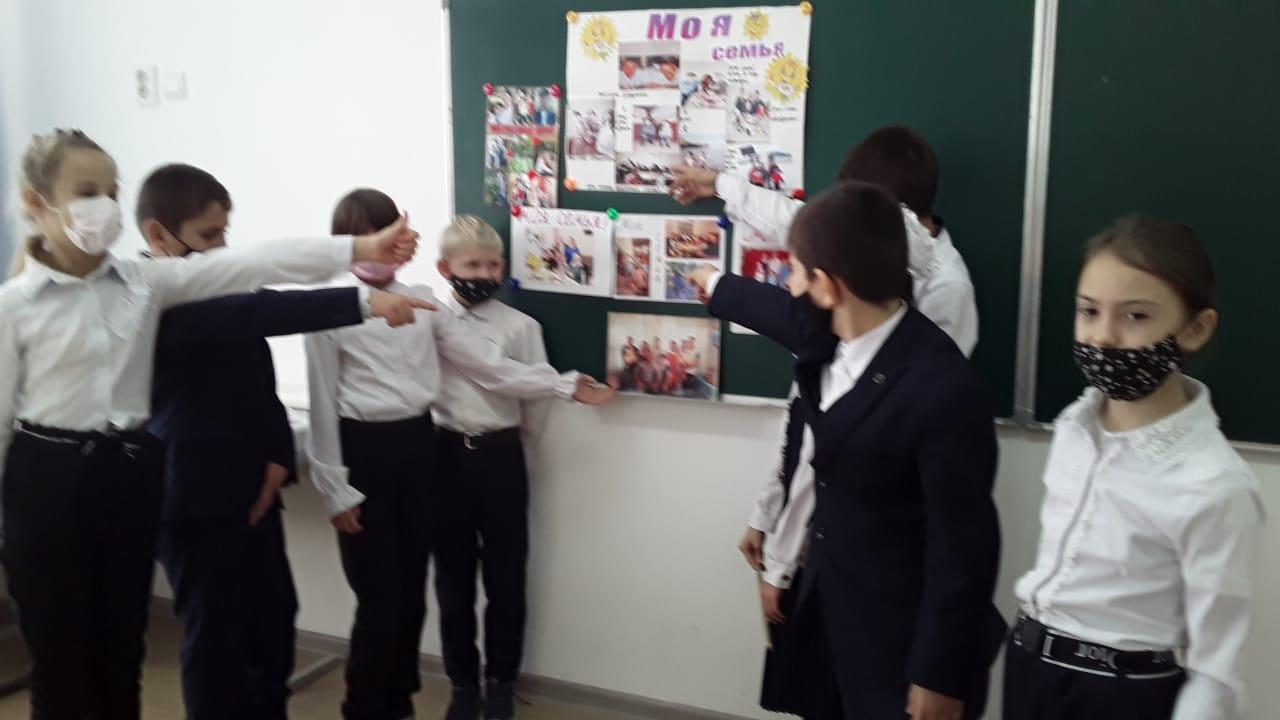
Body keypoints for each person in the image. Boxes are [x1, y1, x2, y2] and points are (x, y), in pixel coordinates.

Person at [0, 129, 418, 720]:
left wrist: (361, 250)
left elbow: (257, 264)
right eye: (87, 192)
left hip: (128, 474)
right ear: (37, 203)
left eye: (112, 191)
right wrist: (364, 294)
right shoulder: (15, 306)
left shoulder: (143, 285)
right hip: (56, 478)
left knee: (123, 658)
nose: (105, 206)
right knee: (65, 666)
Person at [688, 181, 1004, 719]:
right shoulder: (835, 333)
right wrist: (715, 283)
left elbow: (964, 551)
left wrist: (938, 675)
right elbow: (777, 311)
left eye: (795, 272)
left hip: (903, 645)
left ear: (830, 287)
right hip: (834, 614)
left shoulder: (943, 388)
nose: (788, 285)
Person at [138, 163, 432, 720]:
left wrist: (277, 454)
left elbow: (257, 378)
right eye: (208, 235)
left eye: (225, 233)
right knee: (217, 633)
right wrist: (363, 301)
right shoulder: (150, 293)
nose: (222, 248)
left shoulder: (217, 283)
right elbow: (265, 310)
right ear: (159, 234)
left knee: (272, 622)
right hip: (195, 497)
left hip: (258, 486)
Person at [306, 195, 614, 720]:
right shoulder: (328, 308)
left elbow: (489, 366)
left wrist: (563, 384)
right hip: (370, 454)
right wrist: (335, 487)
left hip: (420, 450)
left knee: (412, 593)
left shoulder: (423, 302)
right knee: (382, 596)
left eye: (388, 237)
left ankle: (403, 701)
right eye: (366, 239)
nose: (380, 249)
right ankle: (372, 706)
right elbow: (321, 401)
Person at [1005, 216, 1265, 720]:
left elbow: (1217, 671)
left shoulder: (1213, 483)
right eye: (1088, 311)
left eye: (1136, 316)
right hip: (1031, 668)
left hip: (1118, 695)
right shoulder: (1074, 427)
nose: (1103, 336)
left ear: (1195, 328)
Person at [429, 216, 617, 720]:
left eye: (493, 265)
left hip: (501, 457)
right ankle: (462, 684)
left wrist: (515, 449)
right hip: (444, 457)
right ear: (445, 268)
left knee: (506, 579)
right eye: (472, 265)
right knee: (452, 580)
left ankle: (501, 683)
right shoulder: (426, 319)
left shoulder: (520, 327)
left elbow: (534, 400)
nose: (484, 274)